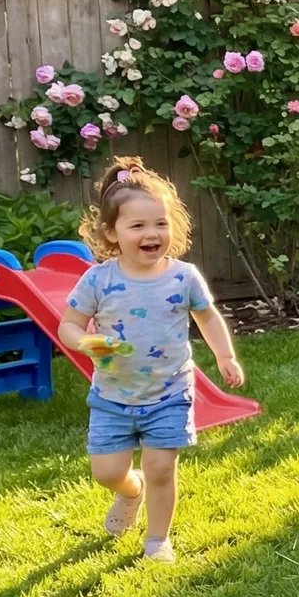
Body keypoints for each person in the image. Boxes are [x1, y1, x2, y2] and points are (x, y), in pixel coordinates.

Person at [57, 157, 244, 563]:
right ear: (112, 232)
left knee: (162, 467)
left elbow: (207, 317)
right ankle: (131, 491)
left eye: (160, 223)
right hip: (112, 396)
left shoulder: (183, 276)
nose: (151, 233)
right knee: (107, 473)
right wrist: (87, 341)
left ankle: (157, 541)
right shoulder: (99, 279)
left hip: (170, 392)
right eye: (137, 226)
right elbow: (68, 326)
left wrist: (225, 355)